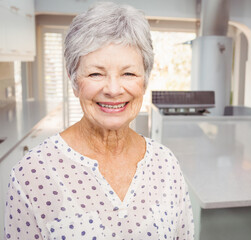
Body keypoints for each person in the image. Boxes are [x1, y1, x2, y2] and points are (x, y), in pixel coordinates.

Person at [4, 2, 194, 239]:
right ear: (73, 79)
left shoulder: (166, 165)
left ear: (144, 81)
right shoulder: (31, 174)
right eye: (96, 73)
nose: (113, 90)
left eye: (129, 73)